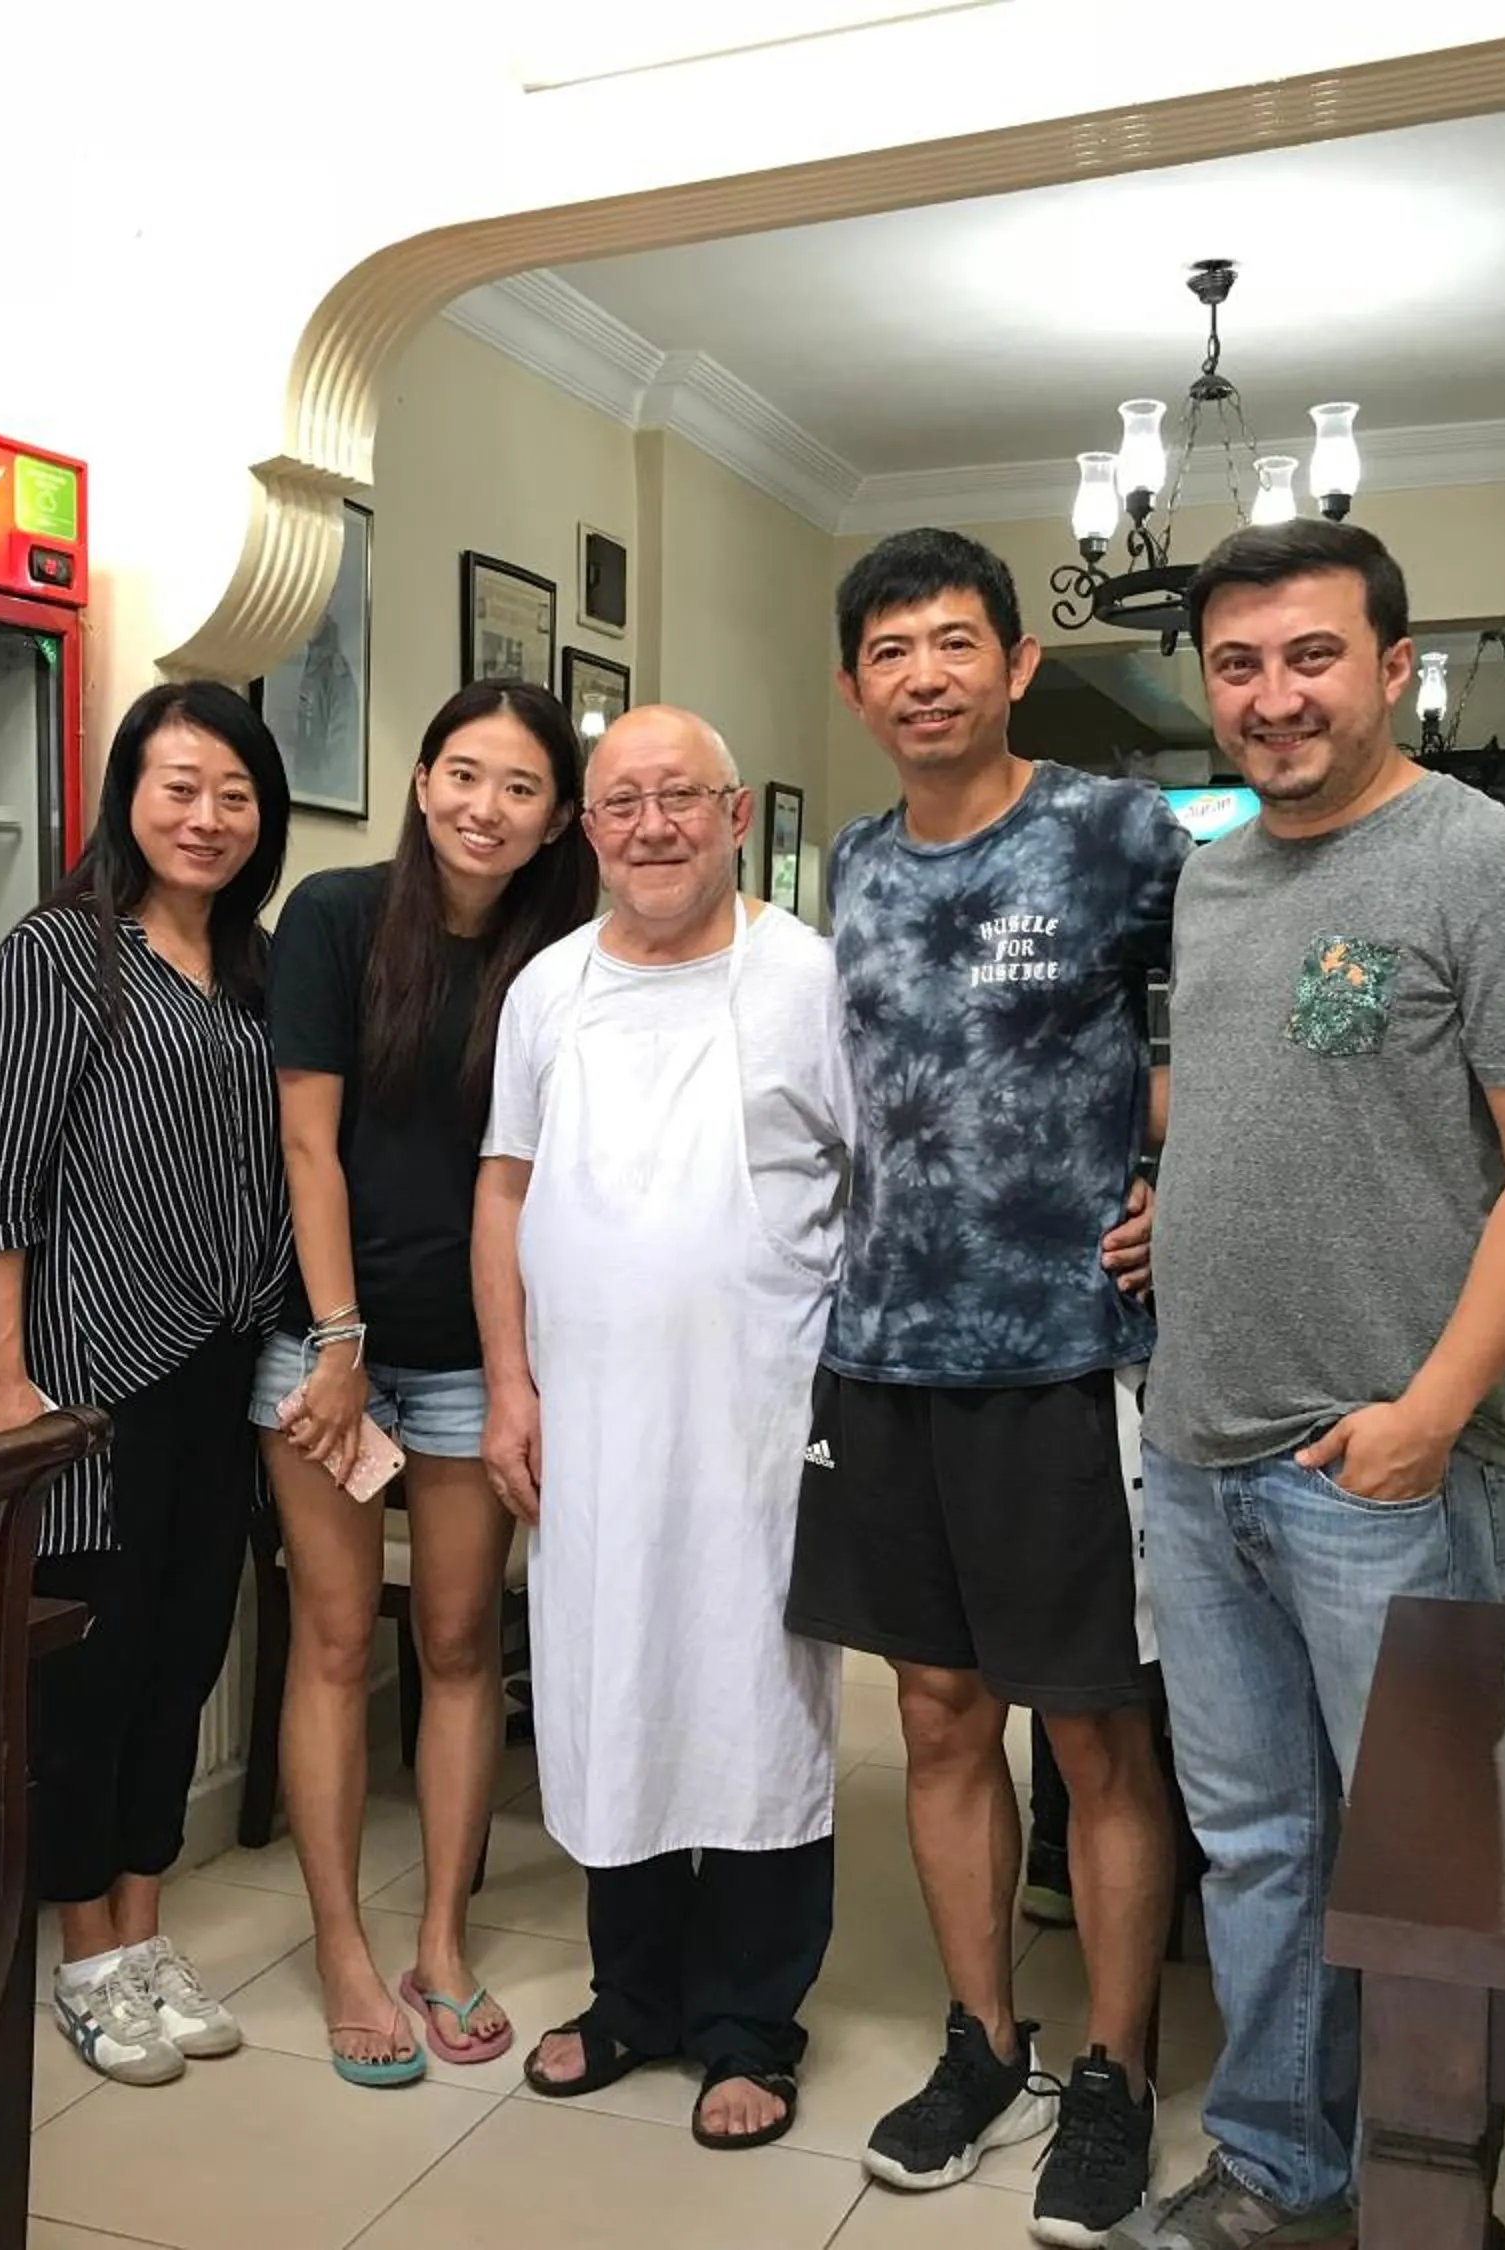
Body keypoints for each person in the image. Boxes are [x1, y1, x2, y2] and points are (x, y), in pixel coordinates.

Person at [1118, 520, 1505, 2250]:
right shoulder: (1219, 870)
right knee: (1252, 1847)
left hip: (1386, 1474)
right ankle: (1278, 2166)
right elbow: (1254, 1102)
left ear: (1395, 666)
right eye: (1239, 665)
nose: (1274, 697)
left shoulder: (1492, 871)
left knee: (1418, 1865)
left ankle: (1419, 2187)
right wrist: (1170, 1209)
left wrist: (1427, 1417)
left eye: (1313, 656)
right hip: (1197, 1453)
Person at [786, 527, 1183, 2249]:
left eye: (958, 642)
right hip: (885, 1357)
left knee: (1094, 1730)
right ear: (855, 685)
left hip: (1064, 1357)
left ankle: (1113, 2073)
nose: (926, 674)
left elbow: (1217, 1032)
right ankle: (986, 2043)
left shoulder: (1116, 832)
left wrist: (1203, 1184)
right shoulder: (853, 872)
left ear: (1017, 665)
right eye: (893, 650)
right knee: (938, 1719)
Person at [473, 706, 854, 2149]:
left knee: (756, 1699)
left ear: (736, 811)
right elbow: (502, 1189)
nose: (651, 826)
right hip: (588, 1414)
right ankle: (629, 1991)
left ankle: (751, 2018)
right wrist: (512, 1382)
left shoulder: (808, 977)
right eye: (620, 802)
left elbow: (875, 1181)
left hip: (758, 1414)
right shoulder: (548, 990)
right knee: (606, 1682)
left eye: (678, 796)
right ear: (588, 827)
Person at [256, 681, 598, 2086]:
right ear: (417, 778)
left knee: (460, 1642)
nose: (484, 807)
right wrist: (339, 1343)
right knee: (335, 1639)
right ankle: (342, 1943)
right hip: (328, 1338)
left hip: (481, 1353)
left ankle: (440, 1939)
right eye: (463, 774)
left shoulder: (570, 951)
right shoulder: (336, 920)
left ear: (557, 815)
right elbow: (306, 1144)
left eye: (519, 786)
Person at [0, 679, 296, 2089]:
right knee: (90, 1679)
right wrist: (4, 1375)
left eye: (233, 791)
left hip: (225, 1368)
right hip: (93, 1378)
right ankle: (84, 1960)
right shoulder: (64, 954)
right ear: (126, 794)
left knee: (181, 1656)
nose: (207, 815)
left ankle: (146, 1929)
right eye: (179, 785)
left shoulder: (255, 966)